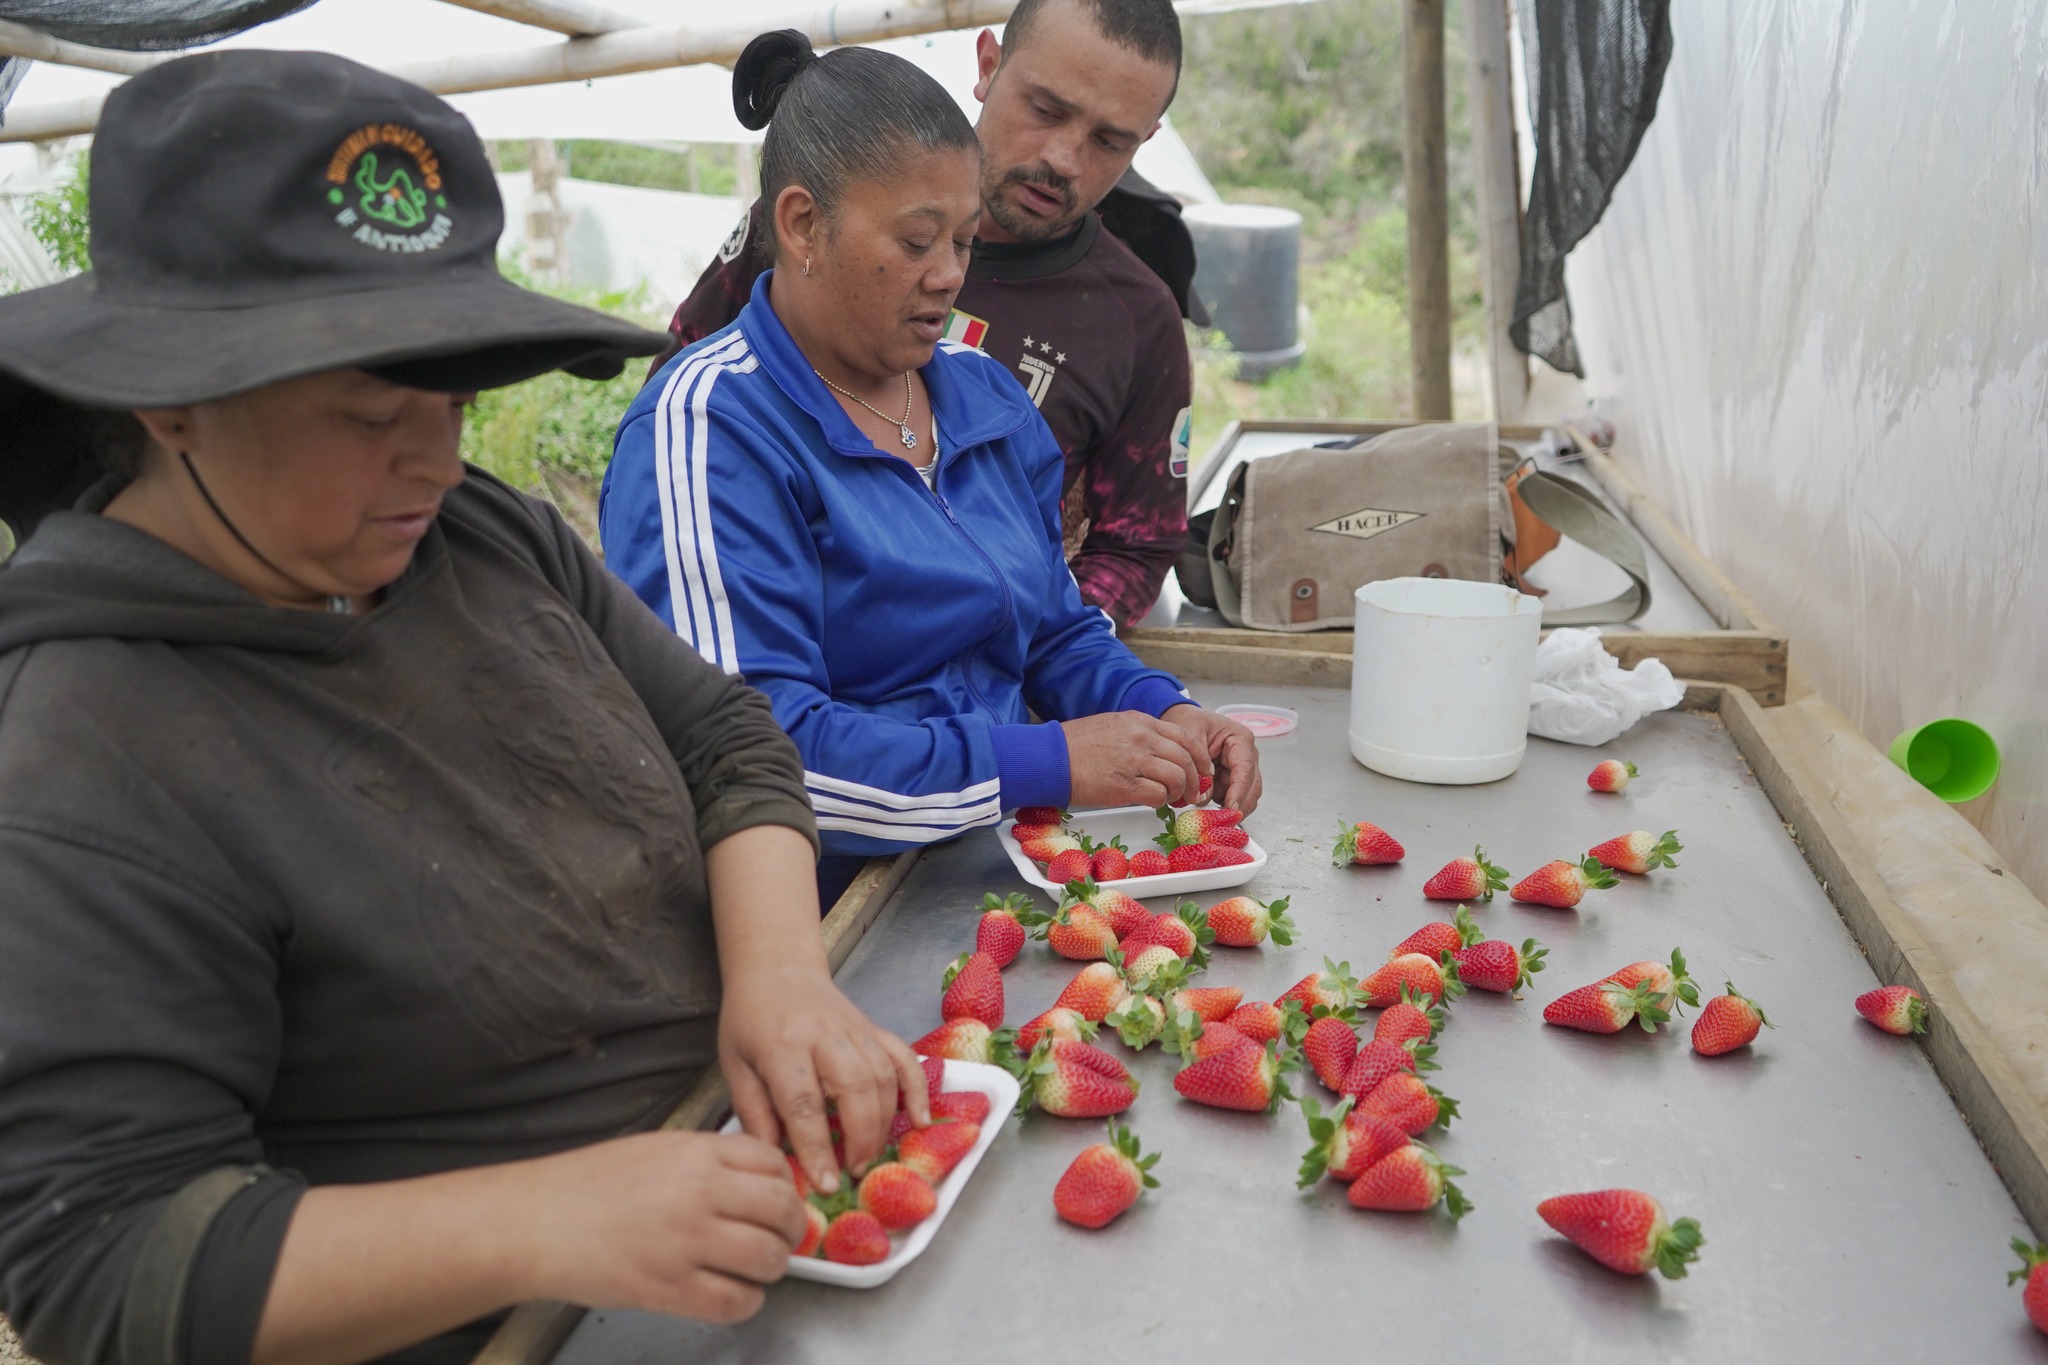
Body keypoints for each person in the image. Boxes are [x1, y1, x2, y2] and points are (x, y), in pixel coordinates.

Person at [0, 51, 929, 1365]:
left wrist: (778, 980)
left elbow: (727, 738)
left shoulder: (476, 534)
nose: (438, 462)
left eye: (454, 400)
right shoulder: (83, 744)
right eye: (369, 411)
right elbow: (103, 1265)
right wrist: (550, 1221)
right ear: (171, 401)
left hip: (744, 1191)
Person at [601, 32, 1261, 901]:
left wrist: (1161, 710)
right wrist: (1047, 759)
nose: (949, 276)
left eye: (965, 241)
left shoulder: (983, 396)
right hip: (818, 914)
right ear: (801, 225)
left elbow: (1053, 629)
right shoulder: (711, 428)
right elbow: (755, 757)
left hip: (985, 875)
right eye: (917, 243)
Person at [650, 0, 1197, 630]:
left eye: (1109, 141)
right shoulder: (824, 220)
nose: (1064, 159)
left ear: (1146, 138)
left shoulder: (1139, 321)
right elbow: (678, 403)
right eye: (1045, 109)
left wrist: (1035, 649)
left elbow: (1137, 546)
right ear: (988, 65)